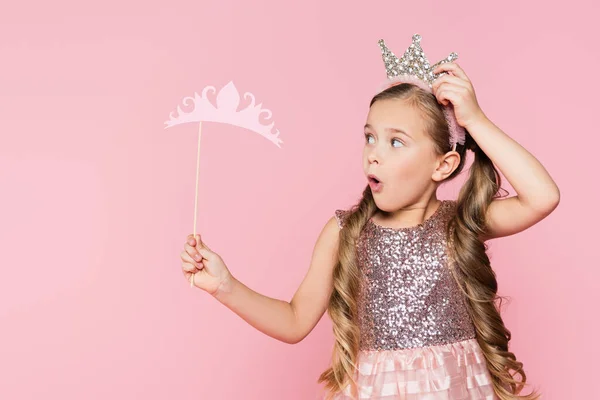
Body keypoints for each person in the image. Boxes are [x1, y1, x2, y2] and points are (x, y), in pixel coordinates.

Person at [179, 35, 559, 399]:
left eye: (396, 142)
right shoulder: (345, 231)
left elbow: (542, 198)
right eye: (369, 137)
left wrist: (475, 120)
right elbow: (295, 321)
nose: (374, 153)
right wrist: (224, 287)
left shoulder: (459, 223)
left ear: (443, 165)